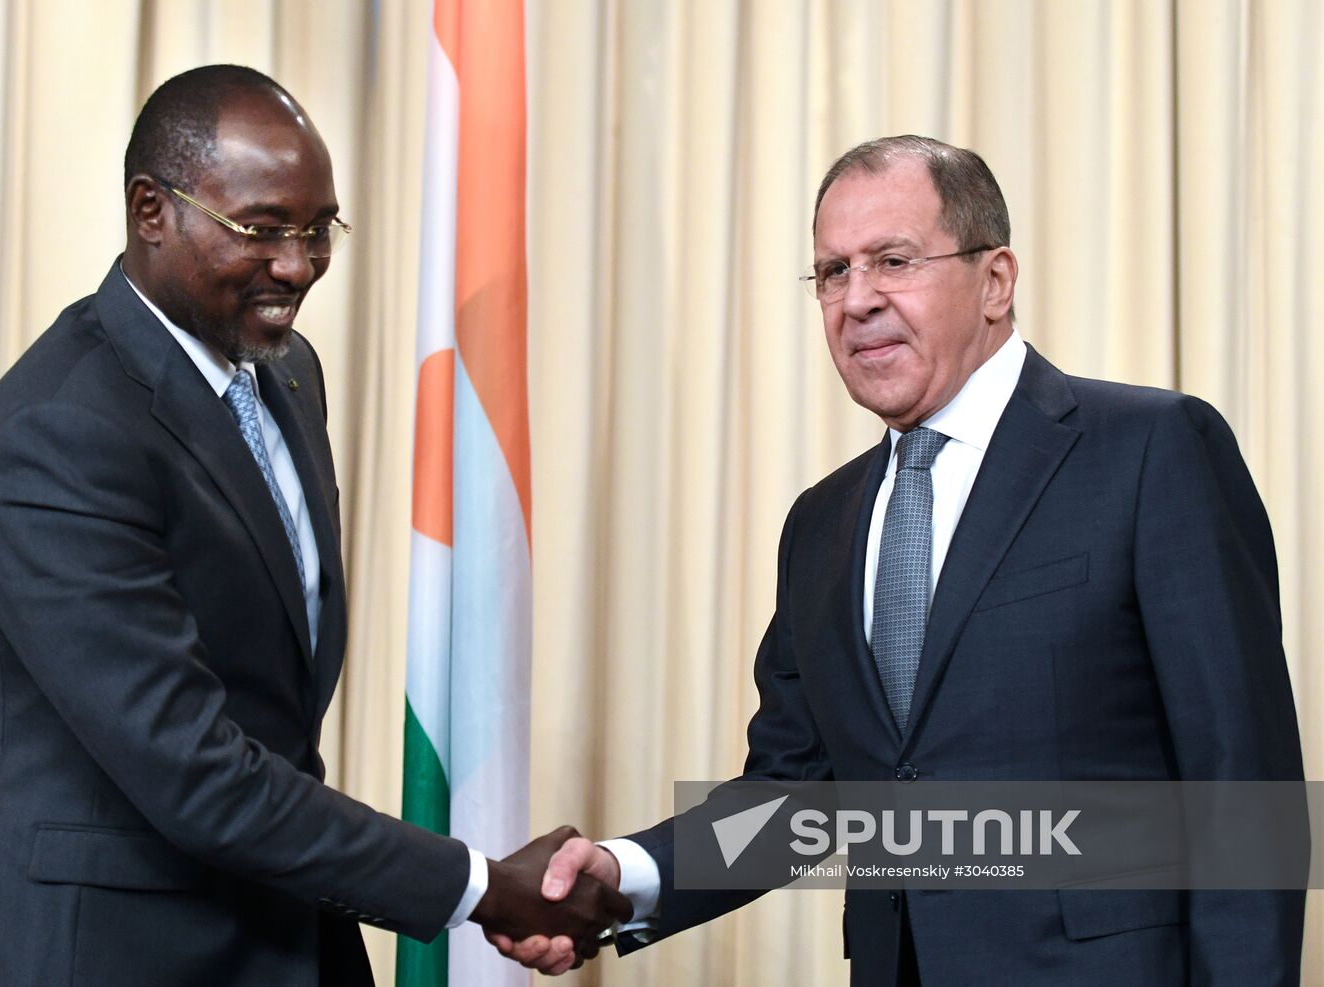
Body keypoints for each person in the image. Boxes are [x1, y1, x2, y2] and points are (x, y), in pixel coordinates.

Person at [492, 136, 1306, 984]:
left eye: (893, 260)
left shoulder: (1151, 450)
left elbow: (1243, 790)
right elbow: (795, 798)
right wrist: (625, 874)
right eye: (833, 272)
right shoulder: (822, 523)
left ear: (996, 281)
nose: (858, 300)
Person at [0, 65, 626, 986]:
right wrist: (483, 886)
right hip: (100, 950)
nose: (296, 265)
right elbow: (194, 769)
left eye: (316, 228)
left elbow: (275, 714)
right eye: (260, 229)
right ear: (150, 210)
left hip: (284, 929)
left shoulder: (287, 374)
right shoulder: (59, 432)